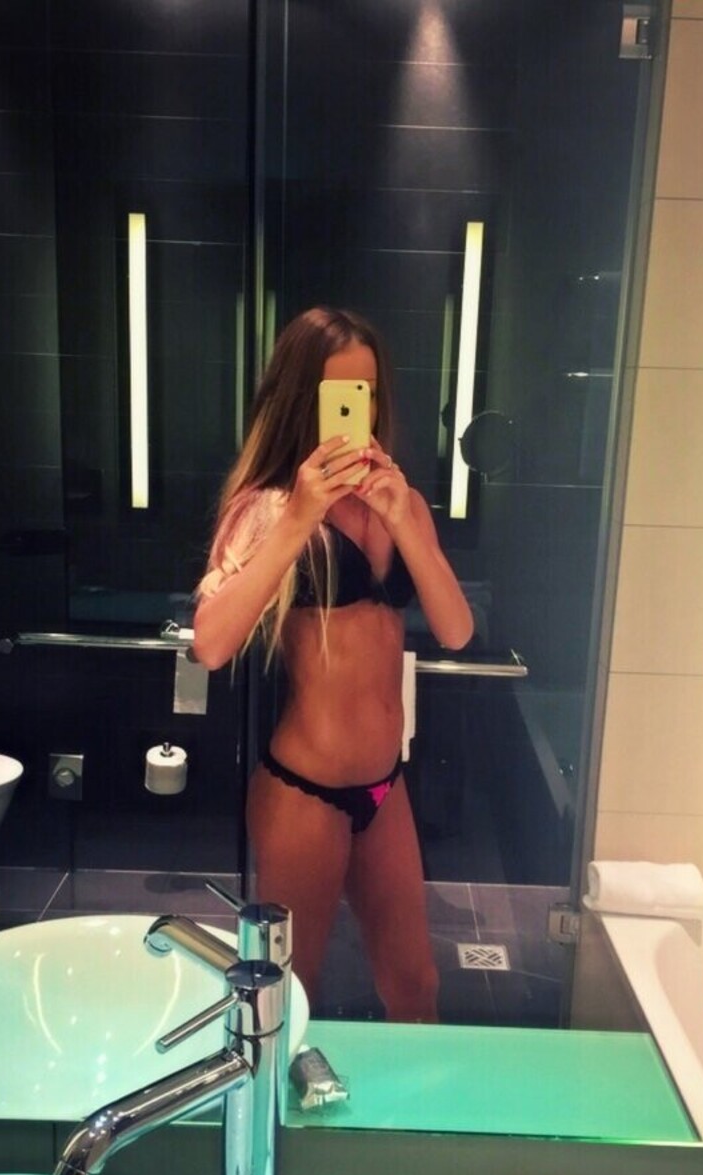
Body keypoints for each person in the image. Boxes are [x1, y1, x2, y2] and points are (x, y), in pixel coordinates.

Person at [193, 306, 474, 1022]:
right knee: (295, 995)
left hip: (384, 787)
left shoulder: (403, 503)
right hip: (304, 793)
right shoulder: (268, 510)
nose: (358, 414)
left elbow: (455, 629)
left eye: (368, 394)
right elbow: (211, 644)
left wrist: (403, 517)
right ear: (304, 401)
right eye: (340, 395)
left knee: (416, 986)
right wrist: (297, 519)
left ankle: (404, 1104)